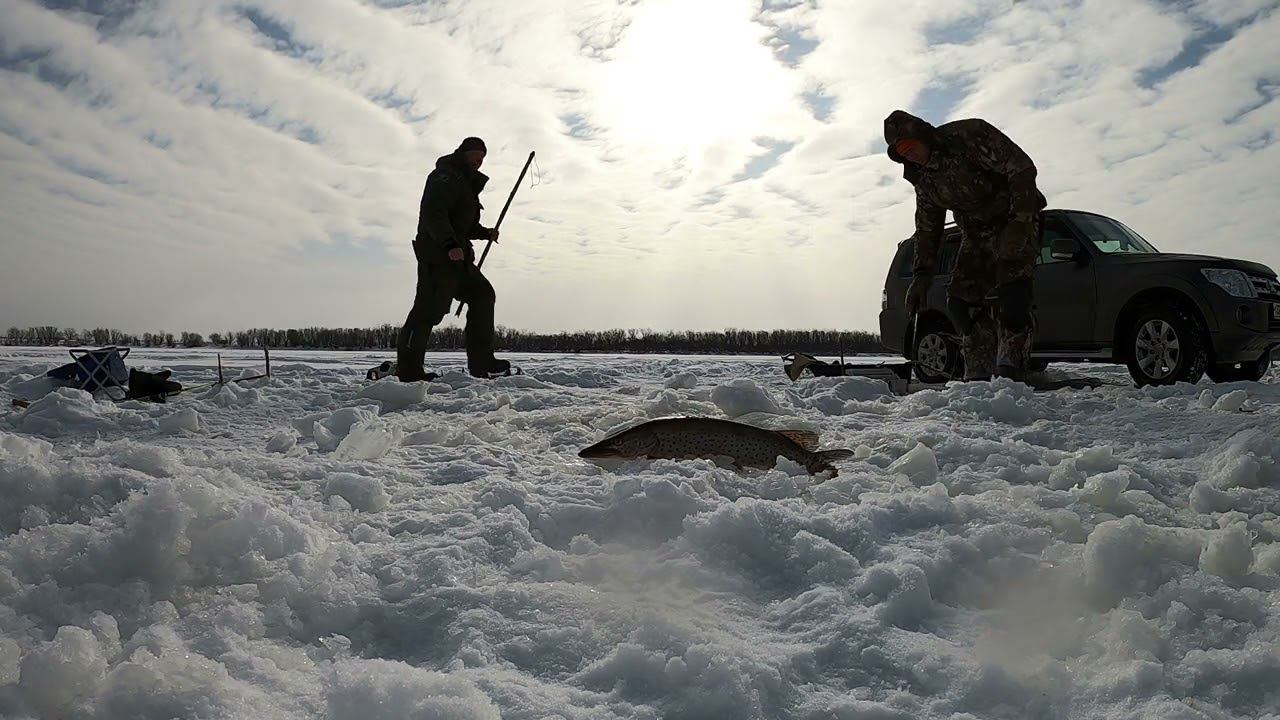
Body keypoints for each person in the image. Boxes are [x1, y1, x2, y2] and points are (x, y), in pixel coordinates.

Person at [884, 110, 1047, 381]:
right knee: (961, 300)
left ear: (924, 136)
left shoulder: (969, 137)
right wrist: (922, 275)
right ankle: (979, 371)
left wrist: (1020, 221)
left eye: (910, 145)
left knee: (1012, 296)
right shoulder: (923, 179)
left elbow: (1021, 167)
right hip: (975, 233)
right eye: (901, 152)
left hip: (1014, 219)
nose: (909, 154)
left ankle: (1011, 369)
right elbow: (928, 228)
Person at [396, 137, 510, 381]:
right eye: (475, 156)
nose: (478, 161)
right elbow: (434, 213)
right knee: (428, 310)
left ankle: (482, 363)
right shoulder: (444, 176)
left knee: (483, 295)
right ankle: (408, 370)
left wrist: (485, 233)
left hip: (459, 258)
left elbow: (463, 225)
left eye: (482, 158)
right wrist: (449, 244)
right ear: (463, 153)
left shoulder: (466, 184)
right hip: (438, 255)